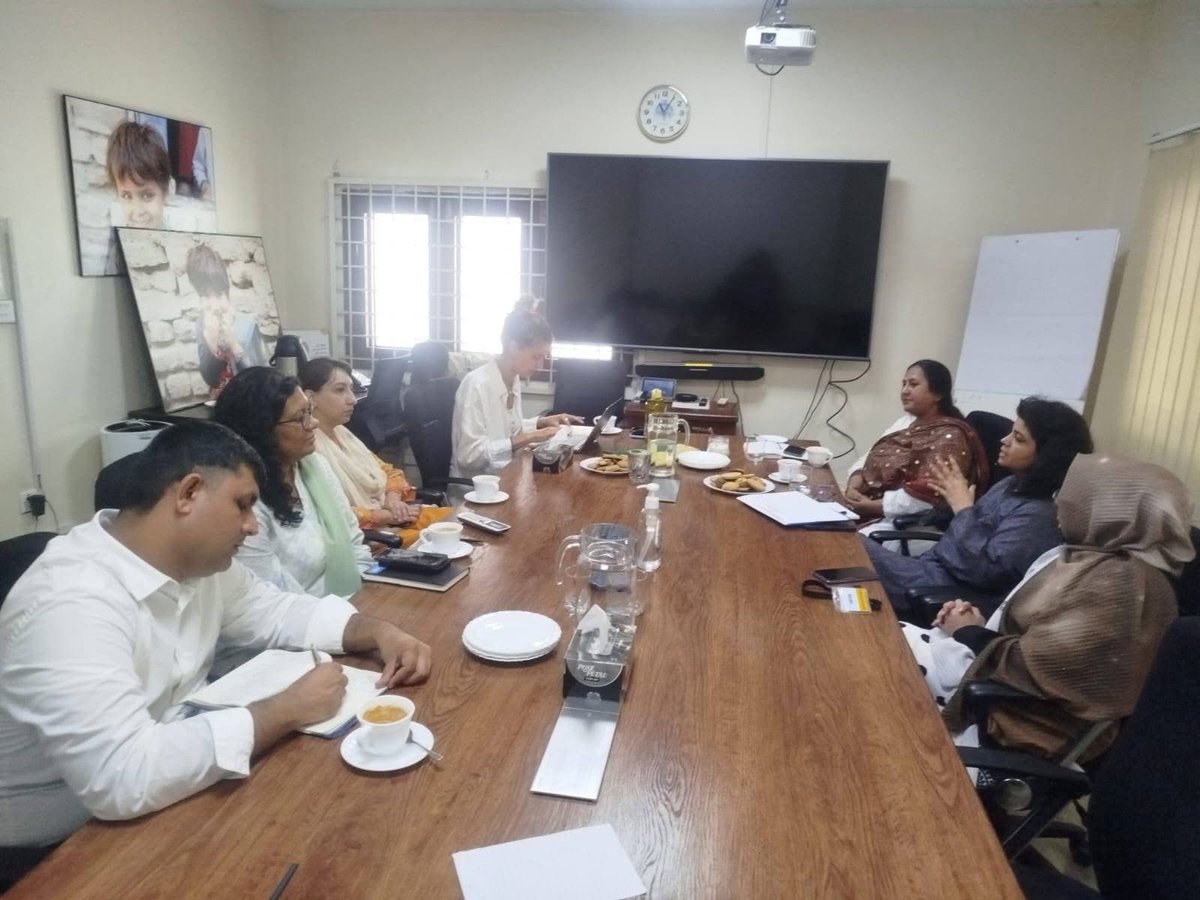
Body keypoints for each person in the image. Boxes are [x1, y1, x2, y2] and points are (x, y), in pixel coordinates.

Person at [0, 422, 431, 865]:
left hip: (174, 785)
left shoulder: (196, 564)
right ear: (188, 494)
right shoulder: (69, 602)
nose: (250, 526)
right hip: (61, 846)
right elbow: (121, 776)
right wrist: (285, 709)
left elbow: (278, 611)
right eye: (242, 505)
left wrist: (379, 631)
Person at [902, 454, 1192, 762]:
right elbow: (1036, 633)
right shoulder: (1087, 556)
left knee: (881, 665)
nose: (1059, 503)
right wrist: (976, 620)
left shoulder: (1122, 586)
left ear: (1110, 511)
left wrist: (969, 631)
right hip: (994, 681)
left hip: (1017, 719)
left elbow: (1037, 667)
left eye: (1071, 496)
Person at [863, 397, 1094, 619]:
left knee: (844, 550)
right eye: (1011, 433)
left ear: (1046, 456)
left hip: (939, 588)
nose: (1004, 441)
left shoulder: (1038, 516)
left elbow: (984, 572)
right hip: (928, 566)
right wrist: (950, 503)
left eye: (1019, 439)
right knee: (840, 543)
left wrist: (963, 508)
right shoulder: (1011, 484)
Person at [214, 367, 374, 597]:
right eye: (301, 418)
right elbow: (270, 600)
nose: (314, 423)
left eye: (310, 411)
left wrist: (362, 594)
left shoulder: (316, 467)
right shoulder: (244, 502)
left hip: (349, 600)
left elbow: (354, 542)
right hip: (294, 623)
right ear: (262, 429)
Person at [300, 357, 449, 543]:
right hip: (370, 539)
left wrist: (393, 501)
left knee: (459, 523)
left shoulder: (343, 433)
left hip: (393, 518)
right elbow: (329, 513)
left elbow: (389, 471)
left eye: (351, 390)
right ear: (311, 398)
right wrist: (386, 516)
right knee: (452, 540)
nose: (353, 400)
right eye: (340, 390)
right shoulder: (307, 448)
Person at [843, 359, 989, 526]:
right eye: (903, 384)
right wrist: (854, 484)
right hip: (868, 505)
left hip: (906, 523)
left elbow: (931, 491)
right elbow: (871, 455)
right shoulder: (907, 422)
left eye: (913, 384)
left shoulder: (951, 437)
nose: (905, 391)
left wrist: (873, 507)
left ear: (938, 394)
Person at [451, 297, 583, 478]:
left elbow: (507, 432)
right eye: (536, 357)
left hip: (508, 477)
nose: (540, 365)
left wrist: (540, 423)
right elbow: (468, 456)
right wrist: (529, 437)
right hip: (477, 491)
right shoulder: (476, 385)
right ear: (513, 348)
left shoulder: (512, 379)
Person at [188, 244, 269, 395]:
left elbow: (261, 379)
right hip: (221, 403)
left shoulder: (247, 325)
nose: (214, 305)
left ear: (227, 293)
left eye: (218, 294)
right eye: (205, 296)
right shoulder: (202, 325)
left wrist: (235, 346)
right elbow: (210, 379)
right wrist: (212, 346)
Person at [106, 120, 170, 230]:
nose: (138, 212)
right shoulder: (117, 242)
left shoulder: (180, 244)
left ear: (165, 192)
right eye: (126, 196)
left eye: (147, 196)